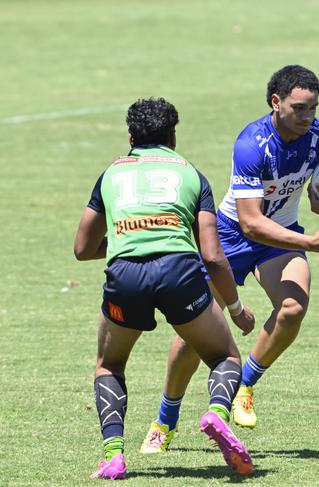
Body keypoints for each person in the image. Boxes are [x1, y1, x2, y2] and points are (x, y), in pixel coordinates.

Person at [139, 65, 319, 451]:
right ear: (276, 102)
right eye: (300, 108)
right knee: (193, 334)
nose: (308, 117)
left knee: (292, 308)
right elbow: (252, 223)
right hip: (231, 235)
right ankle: (164, 420)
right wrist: (311, 245)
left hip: (280, 236)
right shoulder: (252, 144)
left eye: (314, 108)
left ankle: (245, 386)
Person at [74, 98, 256, 479]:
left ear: (130, 136)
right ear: (173, 136)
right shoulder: (191, 174)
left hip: (125, 275)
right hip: (179, 271)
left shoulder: (110, 174)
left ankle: (113, 457)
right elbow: (213, 255)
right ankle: (216, 413)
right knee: (225, 357)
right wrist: (237, 310)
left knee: (109, 365)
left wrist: (130, 237)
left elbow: (82, 248)